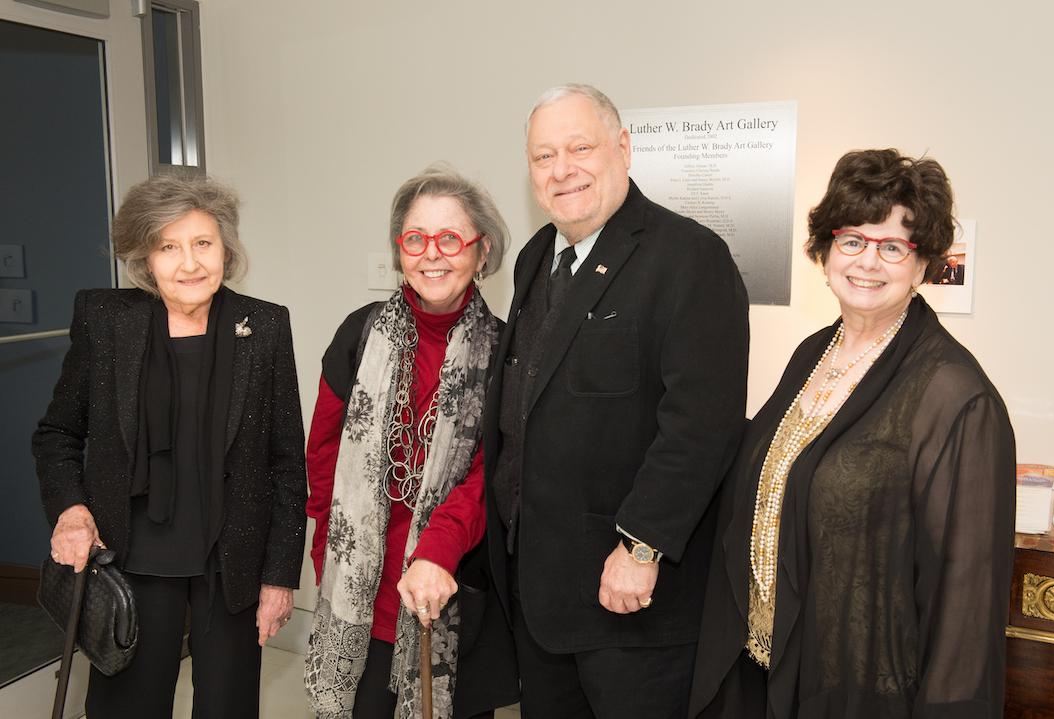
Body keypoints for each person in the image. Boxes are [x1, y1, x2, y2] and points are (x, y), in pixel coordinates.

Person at [688, 149, 1015, 718]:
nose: (869, 261)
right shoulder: (814, 352)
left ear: (923, 264)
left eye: (893, 246)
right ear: (826, 249)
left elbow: (967, 599)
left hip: (864, 689)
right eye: (853, 240)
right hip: (767, 671)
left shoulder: (956, 397)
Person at [485, 83, 749, 718]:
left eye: (580, 147)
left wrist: (641, 548)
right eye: (544, 156)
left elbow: (700, 427)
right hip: (542, 597)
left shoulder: (690, 257)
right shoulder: (534, 259)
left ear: (623, 149)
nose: (562, 169)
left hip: (630, 599)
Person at [33, 175, 307, 718]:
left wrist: (279, 576)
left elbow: (285, 464)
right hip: (131, 562)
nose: (190, 263)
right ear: (144, 257)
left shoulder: (266, 325)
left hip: (231, 566)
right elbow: (58, 433)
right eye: (168, 246)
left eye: (203, 243)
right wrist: (70, 509)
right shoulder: (106, 320)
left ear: (226, 249)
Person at [304, 166, 518, 719]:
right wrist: (327, 550)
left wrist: (439, 550)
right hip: (360, 596)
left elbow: (493, 474)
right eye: (415, 239)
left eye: (451, 238)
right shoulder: (358, 333)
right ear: (400, 249)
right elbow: (324, 454)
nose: (432, 255)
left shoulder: (504, 352)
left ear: (481, 250)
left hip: (452, 593)